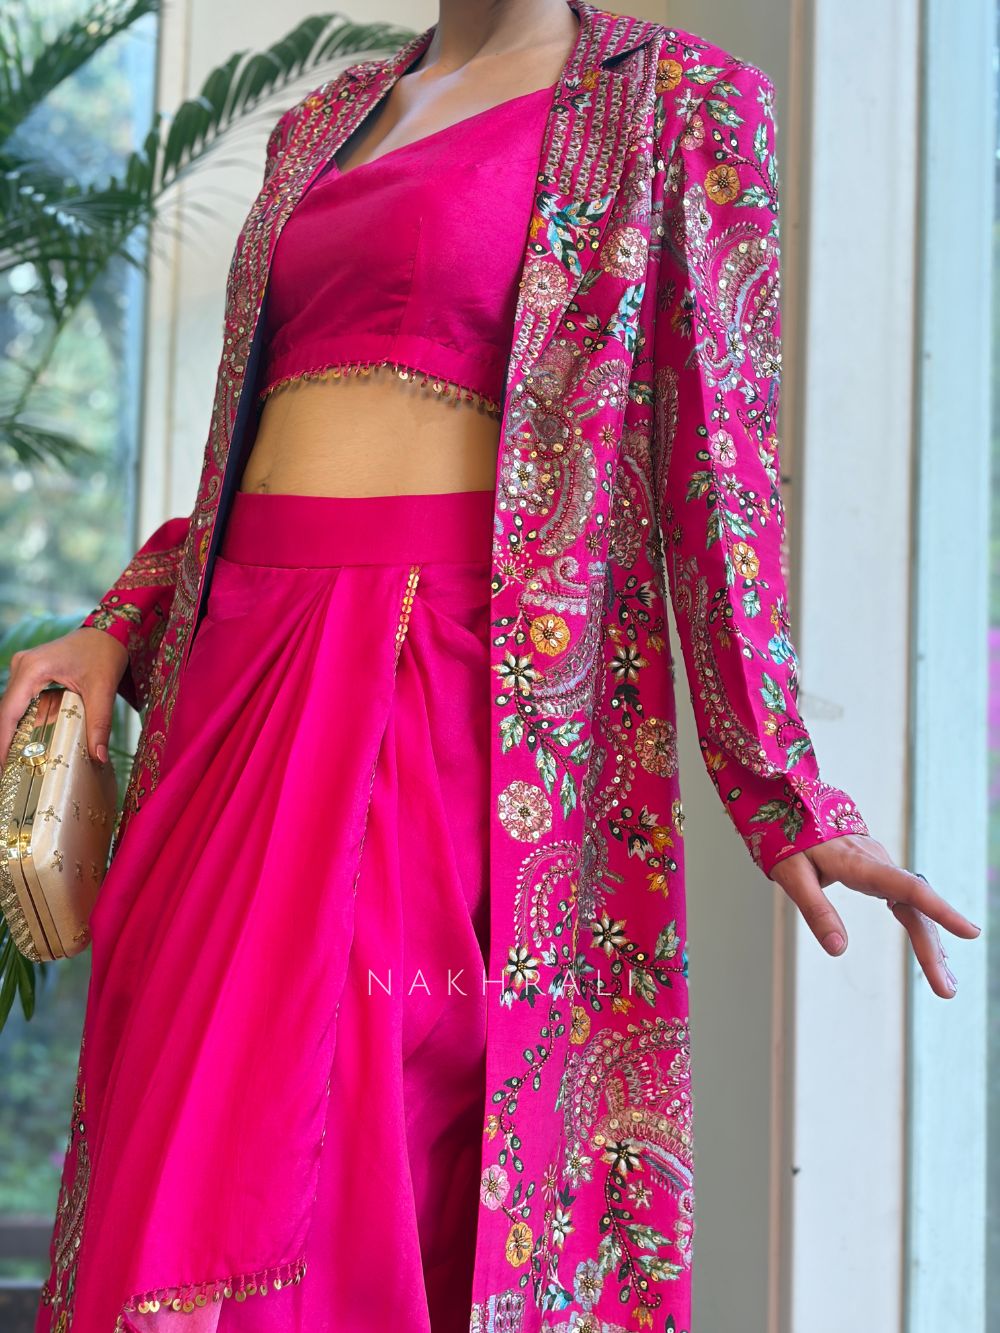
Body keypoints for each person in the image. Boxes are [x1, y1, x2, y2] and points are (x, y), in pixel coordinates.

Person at [0, 0, 981, 1330]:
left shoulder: (676, 100)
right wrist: (119, 617)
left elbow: (721, 470)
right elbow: (251, 451)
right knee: (164, 1146)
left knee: (331, 1164)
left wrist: (782, 783)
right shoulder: (323, 119)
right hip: (232, 686)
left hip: (432, 686)